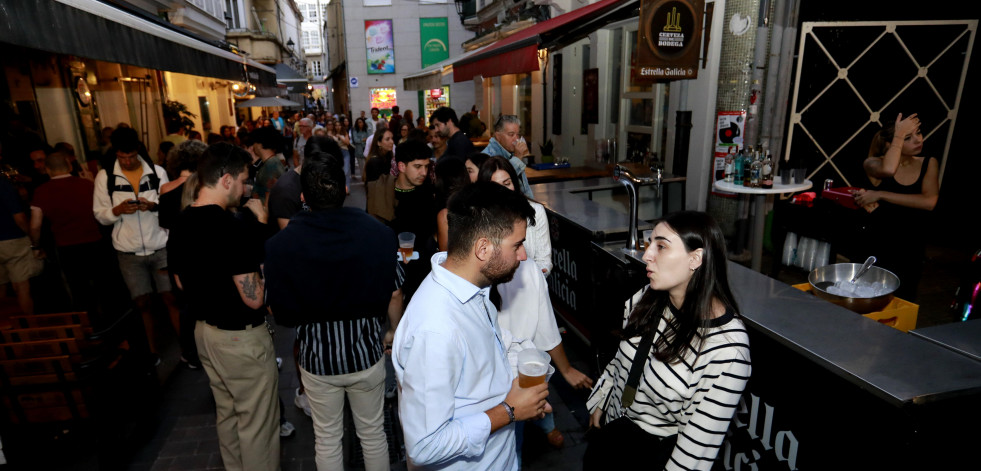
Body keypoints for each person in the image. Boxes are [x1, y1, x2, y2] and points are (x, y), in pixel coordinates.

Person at [392, 182, 549, 469]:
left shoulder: (472, 288)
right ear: (483, 248)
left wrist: (521, 394)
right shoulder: (436, 328)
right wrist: (511, 410)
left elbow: (485, 356)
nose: (523, 255)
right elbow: (425, 445)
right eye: (517, 244)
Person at [265, 151, 404, 471]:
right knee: (372, 434)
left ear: (303, 197)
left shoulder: (281, 245)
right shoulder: (379, 234)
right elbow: (395, 291)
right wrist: (392, 330)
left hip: (316, 360)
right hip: (366, 355)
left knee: (327, 438)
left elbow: (277, 309)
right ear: (344, 189)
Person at [583, 211, 751, 470]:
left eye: (661, 246)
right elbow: (622, 358)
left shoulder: (727, 349)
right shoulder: (649, 295)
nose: (647, 254)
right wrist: (603, 398)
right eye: (650, 243)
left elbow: (693, 455)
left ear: (695, 258)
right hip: (614, 437)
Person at [167, 143, 280, 471]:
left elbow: (180, 284)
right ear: (226, 180)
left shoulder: (182, 221)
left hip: (205, 334)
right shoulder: (231, 227)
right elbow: (254, 297)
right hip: (240, 340)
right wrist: (262, 247)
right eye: (244, 181)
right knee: (257, 424)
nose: (247, 189)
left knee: (229, 415)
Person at [93, 127, 180, 358]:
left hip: (160, 244)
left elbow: (169, 205)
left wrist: (153, 206)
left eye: (131, 156)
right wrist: (117, 211)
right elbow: (99, 214)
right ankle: (152, 351)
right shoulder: (105, 176)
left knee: (170, 297)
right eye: (122, 157)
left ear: (138, 150)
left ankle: (185, 349)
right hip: (128, 251)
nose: (128, 161)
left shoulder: (156, 171)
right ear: (116, 153)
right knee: (142, 303)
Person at [852, 112, 938, 301]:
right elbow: (890, 170)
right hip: (878, 242)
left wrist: (882, 194)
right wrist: (899, 135)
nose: (918, 140)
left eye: (918, 133)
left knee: (903, 299)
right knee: (867, 296)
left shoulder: (929, 163)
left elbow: (929, 202)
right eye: (908, 137)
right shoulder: (873, 163)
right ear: (891, 146)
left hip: (910, 245)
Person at [29, 152, 105, 315]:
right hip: (94, 241)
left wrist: (35, 245)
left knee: (77, 287)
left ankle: (88, 324)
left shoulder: (41, 191)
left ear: (47, 169)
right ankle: (108, 321)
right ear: (70, 166)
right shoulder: (87, 185)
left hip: (66, 246)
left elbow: (35, 225)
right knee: (101, 283)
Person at [478, 156, 552, 274]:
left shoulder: (535, 211)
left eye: (507, 183)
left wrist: (537, 274)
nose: (503, 191)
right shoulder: (480, 217)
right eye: (496, 187)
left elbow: (544, 260)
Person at [0, 174, 40, 315]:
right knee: (21, 286)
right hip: (11, 239)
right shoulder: (3, 183)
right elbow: (19, 217)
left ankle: (6, 331)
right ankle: (29, 328)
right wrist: (30, 235)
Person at [484, 115, 534, 199]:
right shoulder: (488, 157)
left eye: (518, 134)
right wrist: (517, 158)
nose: (516, 139)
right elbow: (501, 185)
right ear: (498, 136)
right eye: (511, 135)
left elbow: (525, 188)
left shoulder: (510, 152)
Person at [251, 126, 288, 204]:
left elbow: (270, 199)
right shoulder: (272, 162)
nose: (252, 147)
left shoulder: (270, 167)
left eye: (254, 143)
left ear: (260, 144)